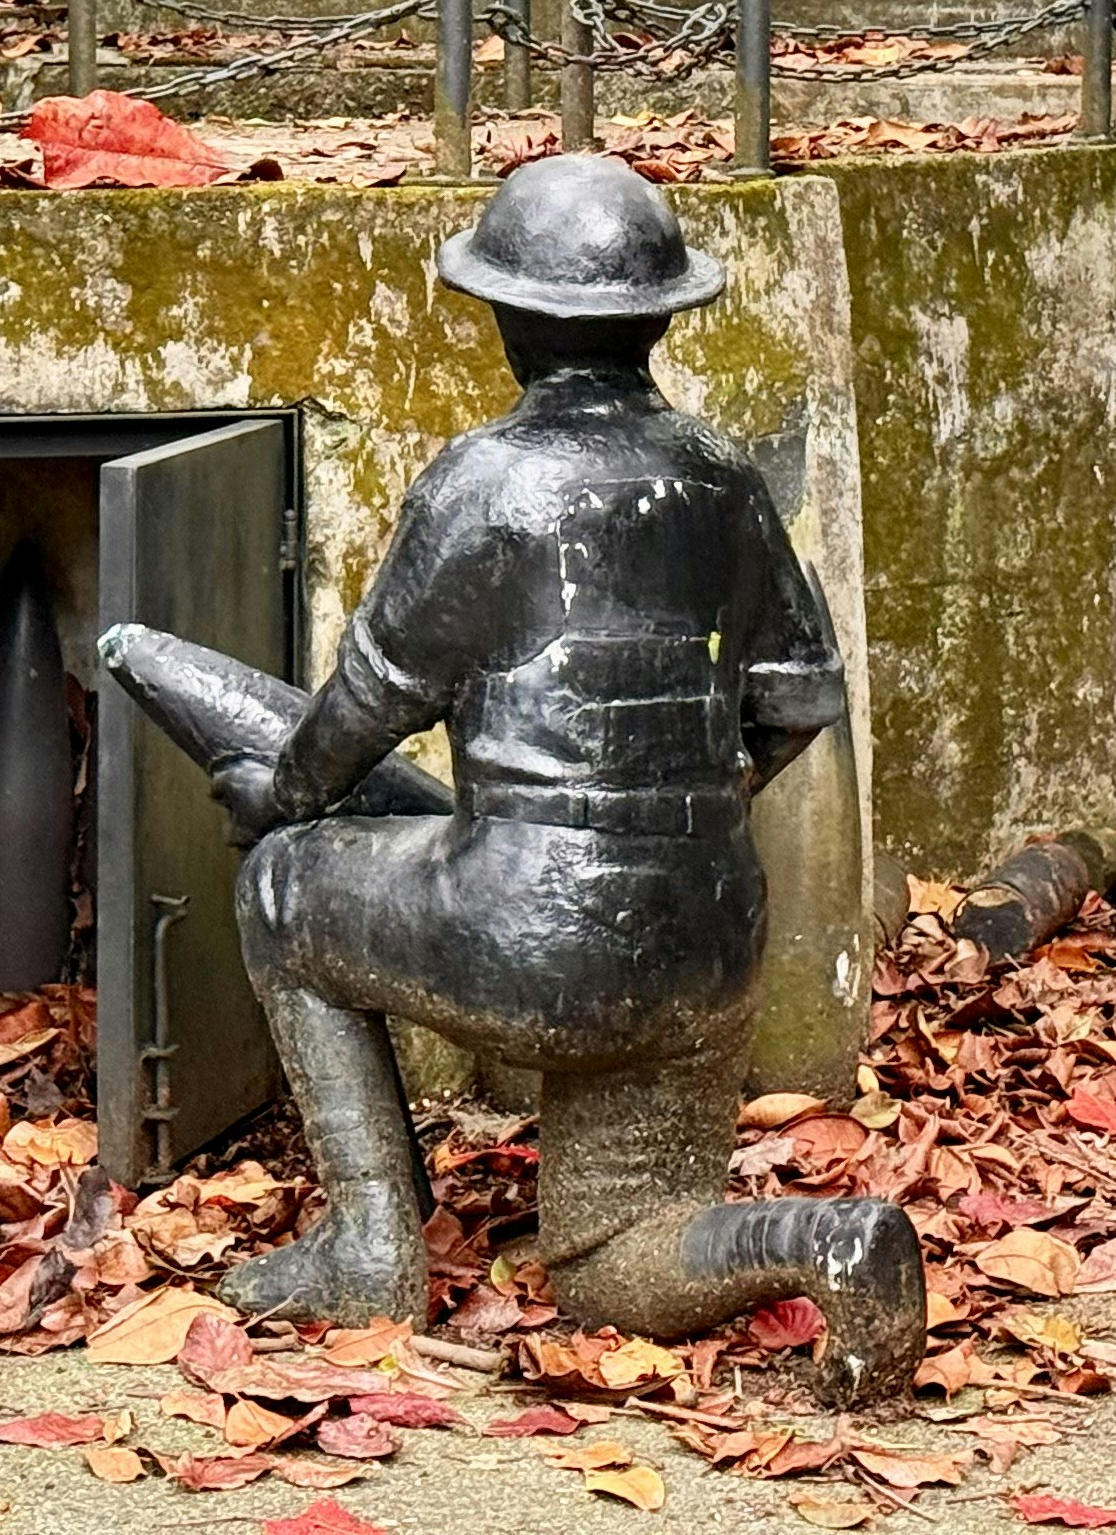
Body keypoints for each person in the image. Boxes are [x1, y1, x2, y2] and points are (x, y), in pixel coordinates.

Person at [185, 154, 924, 1404]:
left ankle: (369, 1249)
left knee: (280, 891)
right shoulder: (724, 478)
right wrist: (675, 822)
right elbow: (801, 704)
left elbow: (367, 704)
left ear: (506, 318)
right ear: (660, 319)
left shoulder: (485, 484)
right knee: (610, 1258)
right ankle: (828, 1241)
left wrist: (279, 799)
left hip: (531, 933)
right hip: (702, 936)